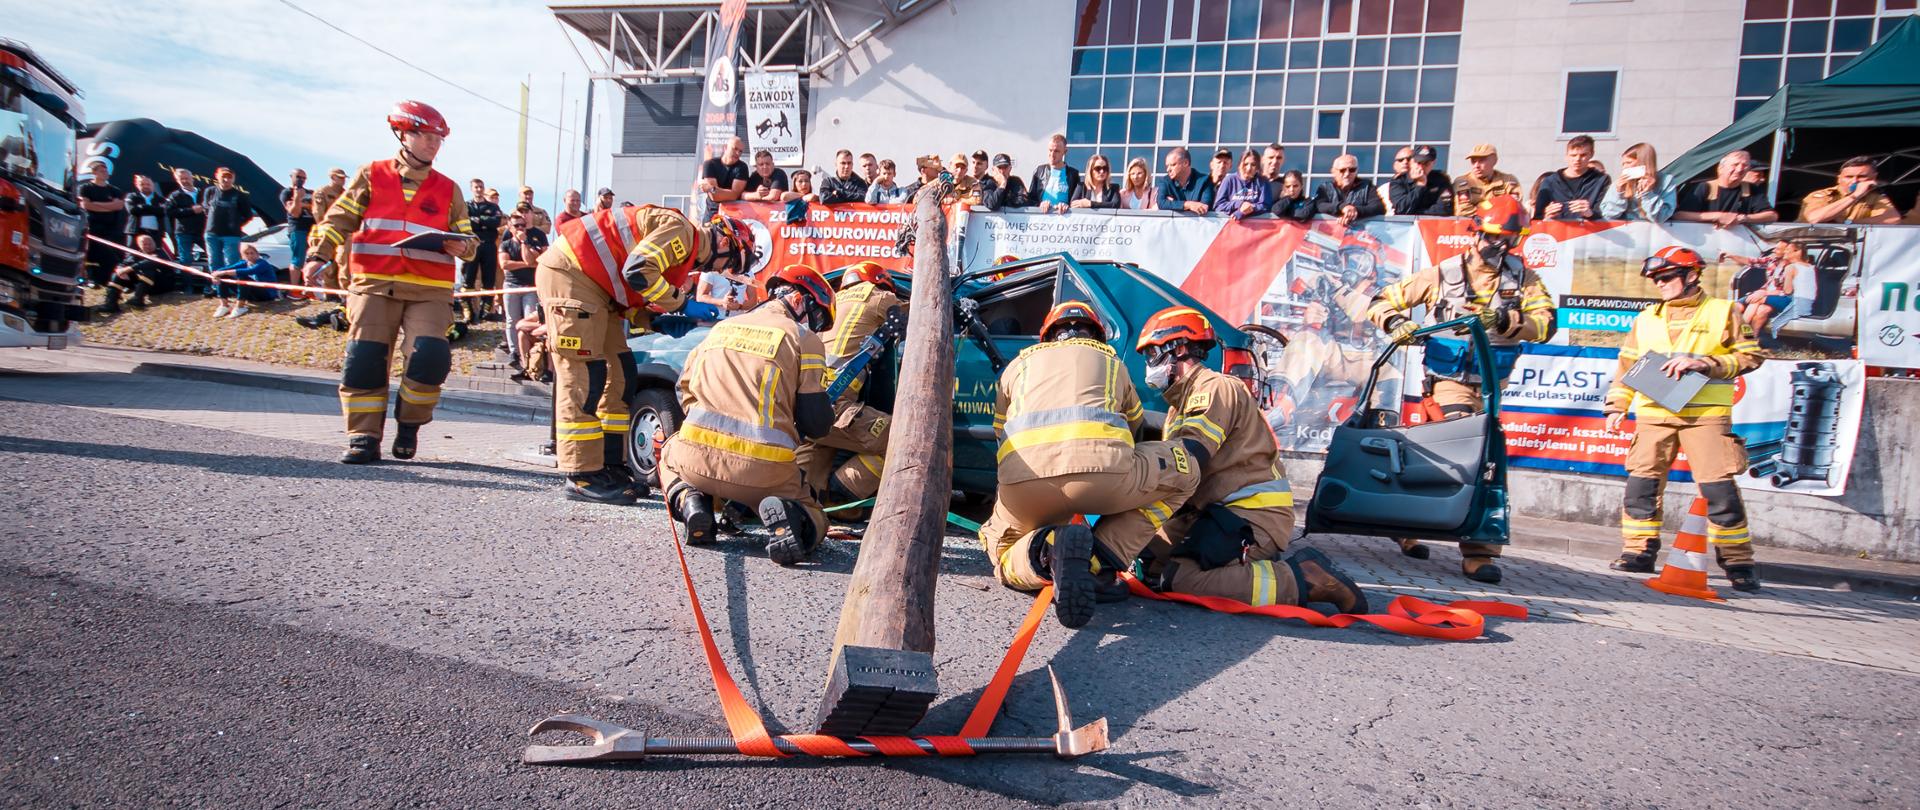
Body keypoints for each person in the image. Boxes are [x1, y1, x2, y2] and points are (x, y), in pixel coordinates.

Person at [976, 301, 1202, 628]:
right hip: (1103, 478)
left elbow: (1001, 433)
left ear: (1048, 337)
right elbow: (1135, 428)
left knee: (1002, 552)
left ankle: (1046, 554)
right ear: (1096, 335)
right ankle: (1097, 563)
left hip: (1024, 485)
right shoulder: (1111, 362)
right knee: (1186, 474)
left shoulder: (1018, 365)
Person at [1366, 195, 1556, 584]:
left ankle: (1479, 551)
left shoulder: (1524, 278)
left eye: (1507, 240)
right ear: (1477, 234)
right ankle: (1411, 527)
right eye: (1492, 238)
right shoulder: (1444, 273)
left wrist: (1506, 319)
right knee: (1463, 454)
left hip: (1490, 386)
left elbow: (1547, 323)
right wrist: (1396, 323)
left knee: (1483, 463)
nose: (1499, 246)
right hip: (1447, 383)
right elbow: (1381, 300)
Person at [1130, 306, 1368, 613]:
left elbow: (1190, 456)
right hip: (1214, 513)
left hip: (1251, 517)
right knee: (1145, 562)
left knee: (1180, 578)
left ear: (1180, 348)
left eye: (1152, 354)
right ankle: (1243, 561)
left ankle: (1304, 579)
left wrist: (1133, 472)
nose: (1149, 366)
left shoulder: (1214, 389)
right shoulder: (1179, 406)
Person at [536, 200, 756, 504]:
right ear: (722, 242)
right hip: (573, 275)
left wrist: (654, 320)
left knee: (621, 374)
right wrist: (681, 304)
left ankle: (609, 466)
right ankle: (582, 474)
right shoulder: (682, 232)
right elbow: (638, 270)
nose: (723, 271)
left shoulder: (682, 253)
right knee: (585, 377)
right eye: (729, 263)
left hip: (599, 291)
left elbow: (630, 286)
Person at [302, 100, 477, 465]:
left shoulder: (449, 189)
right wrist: (318, 254)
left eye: (438, 139)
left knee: (430, 358)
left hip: (429, 289)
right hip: (373, 284)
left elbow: (469, 240)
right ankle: (363, 436)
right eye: (427, 136)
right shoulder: (372, 173)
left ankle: (410, 425)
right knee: (365, 359)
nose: (433, 144)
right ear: (404, 134)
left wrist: (462, 246)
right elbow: (340, 218)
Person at [1603, 246, 1766, 591]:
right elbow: (1627, 366)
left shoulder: (1723, 312)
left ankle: (1738, 562)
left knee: (1719, 490)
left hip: (1705, 416)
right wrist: (1617, 406)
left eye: (1666, 277)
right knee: (1641, 485)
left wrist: (1706, 363)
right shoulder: (1647, 318)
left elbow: (1751, 356)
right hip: (1653, 413)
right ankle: (1638, 552)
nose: (1659, 284)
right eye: (1656, 279)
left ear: (1691, 276)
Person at [660, 265, 836, 564]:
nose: (815, 326)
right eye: (816, 316)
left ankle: (691, 502)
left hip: (696, 462)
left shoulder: (720, 329)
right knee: (817, 518)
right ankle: (794, 519)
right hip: (766, 473)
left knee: (668, 451)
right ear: (796, 300)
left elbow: (684, 391)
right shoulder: (803, 339)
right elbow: (815, 424)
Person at [795, 260, 906, 508]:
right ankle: (843, 492)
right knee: (901, 438)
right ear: (881, 282)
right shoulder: (878, 296)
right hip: (836, 401)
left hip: (806, 402)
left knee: (816, 447)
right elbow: (918, 318)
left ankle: (804, 502)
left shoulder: (831, 301)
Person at [1727, 239, 1816, 339]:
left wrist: (1764, 293)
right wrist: (1730, 255)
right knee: (1738, 306)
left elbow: (1788, 291)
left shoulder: (1791, 267)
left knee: (1757, 304)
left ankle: (1741, 335)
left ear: (1795, 252)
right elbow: (1751, 261)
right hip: (1792, 299)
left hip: (1785, 298)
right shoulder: (1807, 267)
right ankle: (1748, 337)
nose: (1774, 251)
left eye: (1783, 249)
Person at [1673, 150, 1778, 228]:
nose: (1740, 169)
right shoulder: (1705, 187)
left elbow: (1772, 216)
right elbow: (1680, 215)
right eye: (1735, 164)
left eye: (1745, 165)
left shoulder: (1752, 189)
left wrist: (1742, 218)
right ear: (1720, 168)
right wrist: (1718, 216)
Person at [497, 212, 547, 374]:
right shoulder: (505, 245)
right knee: (512, 320)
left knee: (528, 318)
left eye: (522, 225)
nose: (520, 228)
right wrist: (525, 264)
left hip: (530, 286)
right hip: (511, 285)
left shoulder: (531, 242)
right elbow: (504, 264)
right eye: (516, 225)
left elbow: (533, 261)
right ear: (510, 228)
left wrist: (524, 243)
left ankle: (532, 354)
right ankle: (514, 352)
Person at [1800, 156, 1903, 224]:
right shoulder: (1824, 194)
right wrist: (1855, 195)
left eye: (1861, 176)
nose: (1854, 181)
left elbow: (1893, 218)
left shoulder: (1875, 197)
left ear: (1873, 177)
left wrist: (1849, 224)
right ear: (1839, 178)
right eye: (1849, 177)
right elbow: (1815, 218)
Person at [1530, 136, 1609, 221]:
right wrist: (1546, 216)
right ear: (1566, 156)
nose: (1577, 159)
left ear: (1591, 154)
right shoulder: (1549, 181)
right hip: (1558, 231)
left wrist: (1590, 213)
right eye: (1573, 155)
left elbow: (1606, 214)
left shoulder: (1601, 180)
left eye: (1583, 155)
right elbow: (1537, 218)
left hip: (1590, 232)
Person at [461, 178, 504, 321]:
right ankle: (468, 311)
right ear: (472, 189)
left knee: (489, 280)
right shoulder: (465, 206)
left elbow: (496, 221)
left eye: (481, 187)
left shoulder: (493, 207)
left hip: (489, 245)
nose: (479, 190)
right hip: (471, 245)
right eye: (476, 187)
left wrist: (478, 220)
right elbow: (464, 222)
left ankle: (486, 310)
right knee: (468, 279)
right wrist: (483, 221)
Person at [78, 161, 126, 286]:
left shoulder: (114, 190)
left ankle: (109, 278)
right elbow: (86, 205)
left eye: (106, 171)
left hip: (110, 227)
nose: (105, 173)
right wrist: (109, 206)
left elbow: (119, 205)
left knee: (110, 253)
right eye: (101, 171)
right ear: (94, 173)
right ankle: (93, 279)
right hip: (93, 226)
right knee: (92, 252)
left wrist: (97, 204)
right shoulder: (86, 188)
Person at [1600, 143, 1675, 223]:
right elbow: (1607, 215)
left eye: (1629, 163)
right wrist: (1619, 194)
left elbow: (1661, 217)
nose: (1624, 167)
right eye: (1623, 164)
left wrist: (1648, 194)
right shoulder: (1619, 183)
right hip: (1626, 231)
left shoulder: (1665, 181)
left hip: (1654, 232)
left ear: (1643, 162)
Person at [200, 167, 255, 274]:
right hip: (212, 234)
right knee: (214, 261)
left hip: (231, 235)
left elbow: (248, 215)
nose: (226, 180)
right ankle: (218, 287)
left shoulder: (240, 195)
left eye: (229, 177)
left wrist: (235, 224)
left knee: (231, 262)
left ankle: (232, 288)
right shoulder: (210, 191)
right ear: (217, 176)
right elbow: (206, 209)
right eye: (223, 177)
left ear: (233, 179)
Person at [99, 234, 169, 314]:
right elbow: (124, 263)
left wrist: (129, 269)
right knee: (117, 275)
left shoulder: (160, 252)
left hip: (160, 284)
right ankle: (111, 303)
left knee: (147, 270)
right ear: (139, 245)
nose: (148, 246)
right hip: (143, 284)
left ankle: (138, 299)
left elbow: (150, 262)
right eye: (145, 244)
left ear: (154, 243)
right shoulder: (137, 254)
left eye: (150, 243)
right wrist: (120, 269)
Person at [209, 242, 279, 318]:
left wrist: (224, 272)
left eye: (252, 253)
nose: (250, 255)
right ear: (243, 255)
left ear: (257, 254)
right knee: (223, 276)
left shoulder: (262, 264)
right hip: (252, 293)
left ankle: (240, 307)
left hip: (266, 294)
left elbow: (250, 271)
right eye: (247, 253)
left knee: (243, 277)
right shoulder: (244, 262)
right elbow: (228, 268)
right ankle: (224, 305)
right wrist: (216, 275)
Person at [1314, 154, 1386, 227]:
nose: (1347, 173)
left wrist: (1355, 210)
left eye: (1352, 170)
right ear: (1333, 172)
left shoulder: (1367, 187)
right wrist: (1342, 207)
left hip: (1360, 233)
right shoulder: (1325, 188)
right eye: (1342, 170)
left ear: (1356, 171)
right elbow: (1319, 205)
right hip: (1329, 233)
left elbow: (1378, 207)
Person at [1452, 143, 1522, 212]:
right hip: (1473, 222)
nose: (1476, 166)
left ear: (1494, 160)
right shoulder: (1463, 182)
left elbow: (1514, 207)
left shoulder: (1508, 181)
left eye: (1481, 160)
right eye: (1473, 161)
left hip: (1502, 223)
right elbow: (1463, 210)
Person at [1387, 145, 1453, 216]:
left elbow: (1444, 210)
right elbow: (1402, 209)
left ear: (1433, 163)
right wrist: (1420, 185)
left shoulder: (1440, 179)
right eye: (1418, 163)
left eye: (1426, 164)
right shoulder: (1399, 181)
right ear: (1411, 162)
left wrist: (1414, 213)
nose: (1421, 167)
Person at [698, 136, 751, 219]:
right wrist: (716, 191)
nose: (738, 153)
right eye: (735, 149)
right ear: (725, 147)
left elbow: (734, 195)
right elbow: (714, 197)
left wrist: (713, 189)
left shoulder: (742, 167)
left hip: (733, 215)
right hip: (712, 213)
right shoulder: (710, 164)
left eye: (740, 151)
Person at [1029, 133, 1081, 213]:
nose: (1052, 154)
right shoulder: (1039, 171)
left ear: (1065, 152)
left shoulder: (1073, 174)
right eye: (1050, 150)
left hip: (1064, 220)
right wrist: (1040, 205)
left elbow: (1076, 202)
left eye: (1056, 151)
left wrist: (1067, 206)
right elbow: (1030, 199)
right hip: (1040, 219)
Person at [165, 167, 208, 266]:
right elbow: (169, 212)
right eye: (181, 179)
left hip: (203, 230)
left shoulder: (204, 193)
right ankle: (187, 281)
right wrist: (191, 210)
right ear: (177, 180)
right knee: (185, 261)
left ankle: (214, 280)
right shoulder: (175, 196)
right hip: (184, 232)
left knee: (213, 256)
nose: (185, 181)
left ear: (192, 178)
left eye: (187, 178)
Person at [1213, 149, 1272, 218]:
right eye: (1245, 164)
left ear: (1257, 167)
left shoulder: (1263, 182)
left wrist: (1246, 210)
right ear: (1240, 164)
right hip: (1231, 225)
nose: (1248, 168)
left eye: (1253, 165)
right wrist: (1239, 204)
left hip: (1256, 226)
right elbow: (1218, 206)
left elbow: (1265, 206)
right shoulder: (1229, 180)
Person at [689, 260, 754, 323]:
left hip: (738, 321)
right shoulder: (711, 269)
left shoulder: (747, 271)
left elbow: (753, 300)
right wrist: (722, 302)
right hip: (715, 320)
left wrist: (739, 306)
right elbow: (700, 297)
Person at [1156, 147, 1214, 214]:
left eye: (1173, 165)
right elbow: (1161, 203)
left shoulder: (1205, 180)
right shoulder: (1165, 181)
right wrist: (1189, 204)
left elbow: (1204, 207)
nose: (1168, 169)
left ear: (1186, 163)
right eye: (1167, 166)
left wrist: (1173, 204)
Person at [280, 169, 314, 271]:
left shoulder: (310, 192)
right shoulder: (287, 192)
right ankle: (294, 286)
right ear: (292, 177)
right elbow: (294, 213)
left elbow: (316, 208)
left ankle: (309, 283)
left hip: (312, 228)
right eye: (298, 177)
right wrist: (298, 198)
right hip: (298, 228)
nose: (301, 180)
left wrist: (305, 205)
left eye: (304, 178)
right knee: (298, 260)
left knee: (313, 258)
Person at [124, 174, 169, 249]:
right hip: (135, 232)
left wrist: (142, 207)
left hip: (156, 233)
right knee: (132, 256)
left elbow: (162, 212)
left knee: (155, 257)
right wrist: (154, 209)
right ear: (137, 185)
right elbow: (132, 210)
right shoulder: (131, 196)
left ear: (153, 185)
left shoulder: (161, 199)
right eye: (142, 184)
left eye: (148, 184)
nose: (145, 186)